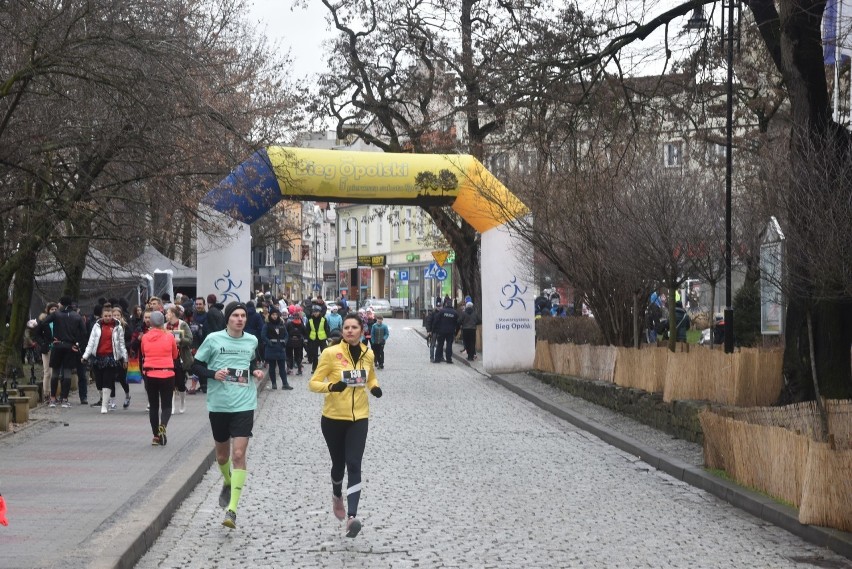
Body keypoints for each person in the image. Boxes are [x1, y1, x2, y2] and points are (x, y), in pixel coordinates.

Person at [191, 302, 265, 529]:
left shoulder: (251, 340)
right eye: (235, 315)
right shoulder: (213, 339)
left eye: (243, 315)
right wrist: (214, 374)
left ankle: (232, 510)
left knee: (239, 453)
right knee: (222, 457)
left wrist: (255, 370)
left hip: (244, 402)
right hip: (220, 404)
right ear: (228, 319)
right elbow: (195, 366)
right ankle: (227, 479)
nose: (240, 319)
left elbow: (251, 360)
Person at [308, 313, 382, 538]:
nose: (350, 331)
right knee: (338, 464)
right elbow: (313, 383)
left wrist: (374, 387)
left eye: (354, 327)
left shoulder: (368, 353)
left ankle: (352, 517)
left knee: (354, 463)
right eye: (346, 328)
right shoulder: (331, 354)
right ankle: (336, 494)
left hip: (359, 417)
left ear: (361, 330)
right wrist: (331, 387)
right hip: (332, 418)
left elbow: (370, 377)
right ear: (342, 331)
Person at [39, 296, 87, 408]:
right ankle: (65, 399)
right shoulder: (77, 316)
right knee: (67, 373)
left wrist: (51, 338)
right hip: (70, 346)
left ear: (61, 304)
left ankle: (52, 399)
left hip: (57, 345)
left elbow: (44, 323)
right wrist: (77, 343)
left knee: (55, 373)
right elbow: (84, 332)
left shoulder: (56, 314)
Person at [81, 303, 129, 414]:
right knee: (99, 382)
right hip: (97, 357)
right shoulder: (96, 326)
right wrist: (85, 356)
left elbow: (122, 344)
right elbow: (91, 342)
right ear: (102, 316)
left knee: (108, 381)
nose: (108, 318)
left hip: (111, 358)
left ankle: (104, 405)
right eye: (105, 316)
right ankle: (103, 399)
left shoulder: (118, 327)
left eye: (109, 316)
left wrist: (125, 359)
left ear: (112, 315)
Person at [140, 310, 177, 446]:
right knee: (167, 405)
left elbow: (143, 353)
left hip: (150, 374)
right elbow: (175, 355)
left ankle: (155, 436)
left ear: (151, 322)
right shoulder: (170, 336)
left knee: (154, 406)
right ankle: (163, 425)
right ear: (163, 322)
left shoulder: (145, 337)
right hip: (167, 373)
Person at [165, 306, 193, 413]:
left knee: (180, 383)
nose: (166, 315)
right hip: (168, 358)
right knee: (170, 383)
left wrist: (179, 340)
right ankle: (171, 406)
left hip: (180, 358)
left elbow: (190, 340)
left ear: (172, 313)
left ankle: (182, 401)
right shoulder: (164, 326)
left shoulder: (183, 324)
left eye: (167, 313)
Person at [261, 306, 292, 390]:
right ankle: (274, 383)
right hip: (271, 348)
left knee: (282, 367)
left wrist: (284, 342)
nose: (275, 316)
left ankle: (285, 384)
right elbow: (263, 336)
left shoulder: (281, 324)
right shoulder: (267, 325)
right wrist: (269, 342)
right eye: (273, 314)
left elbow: (286, 335)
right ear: (270, 315)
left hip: (280, 348)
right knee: (272, 367)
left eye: (276, 314)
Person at [35, 302, 59, 402]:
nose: (54, 311)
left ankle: (53, 394)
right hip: (47, 348)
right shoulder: (44, 321)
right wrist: (43, 343)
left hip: (57, 348)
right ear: (48, 310)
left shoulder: (60, 320)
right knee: (47, 372)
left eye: (55, 309)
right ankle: (46, 393)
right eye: (52, 309)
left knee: (54, 372)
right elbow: (37, 335)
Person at [306, 305, 330, 373]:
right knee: (314, 355)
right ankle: (314, 368)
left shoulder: (323, 319)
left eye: (317, 312)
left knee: (325, 354)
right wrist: (307, 338)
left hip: (322, 339)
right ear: (312, 313)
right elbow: (307, 330)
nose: (315, 313)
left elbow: (327, 329)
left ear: (319, 312)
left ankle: (326, 368)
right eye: (314, 312)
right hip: (313, 339)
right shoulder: (310, 320)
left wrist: (328, 337)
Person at [286, 309, 307, 375]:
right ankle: (299, 369)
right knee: (298, 356)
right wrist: (304, 339)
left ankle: (289, 368)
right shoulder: (301, 324)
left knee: (289, 355)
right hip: (299, 341)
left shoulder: (289, 323)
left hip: (290, 341)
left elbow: (286, 332)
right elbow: (305, 333)